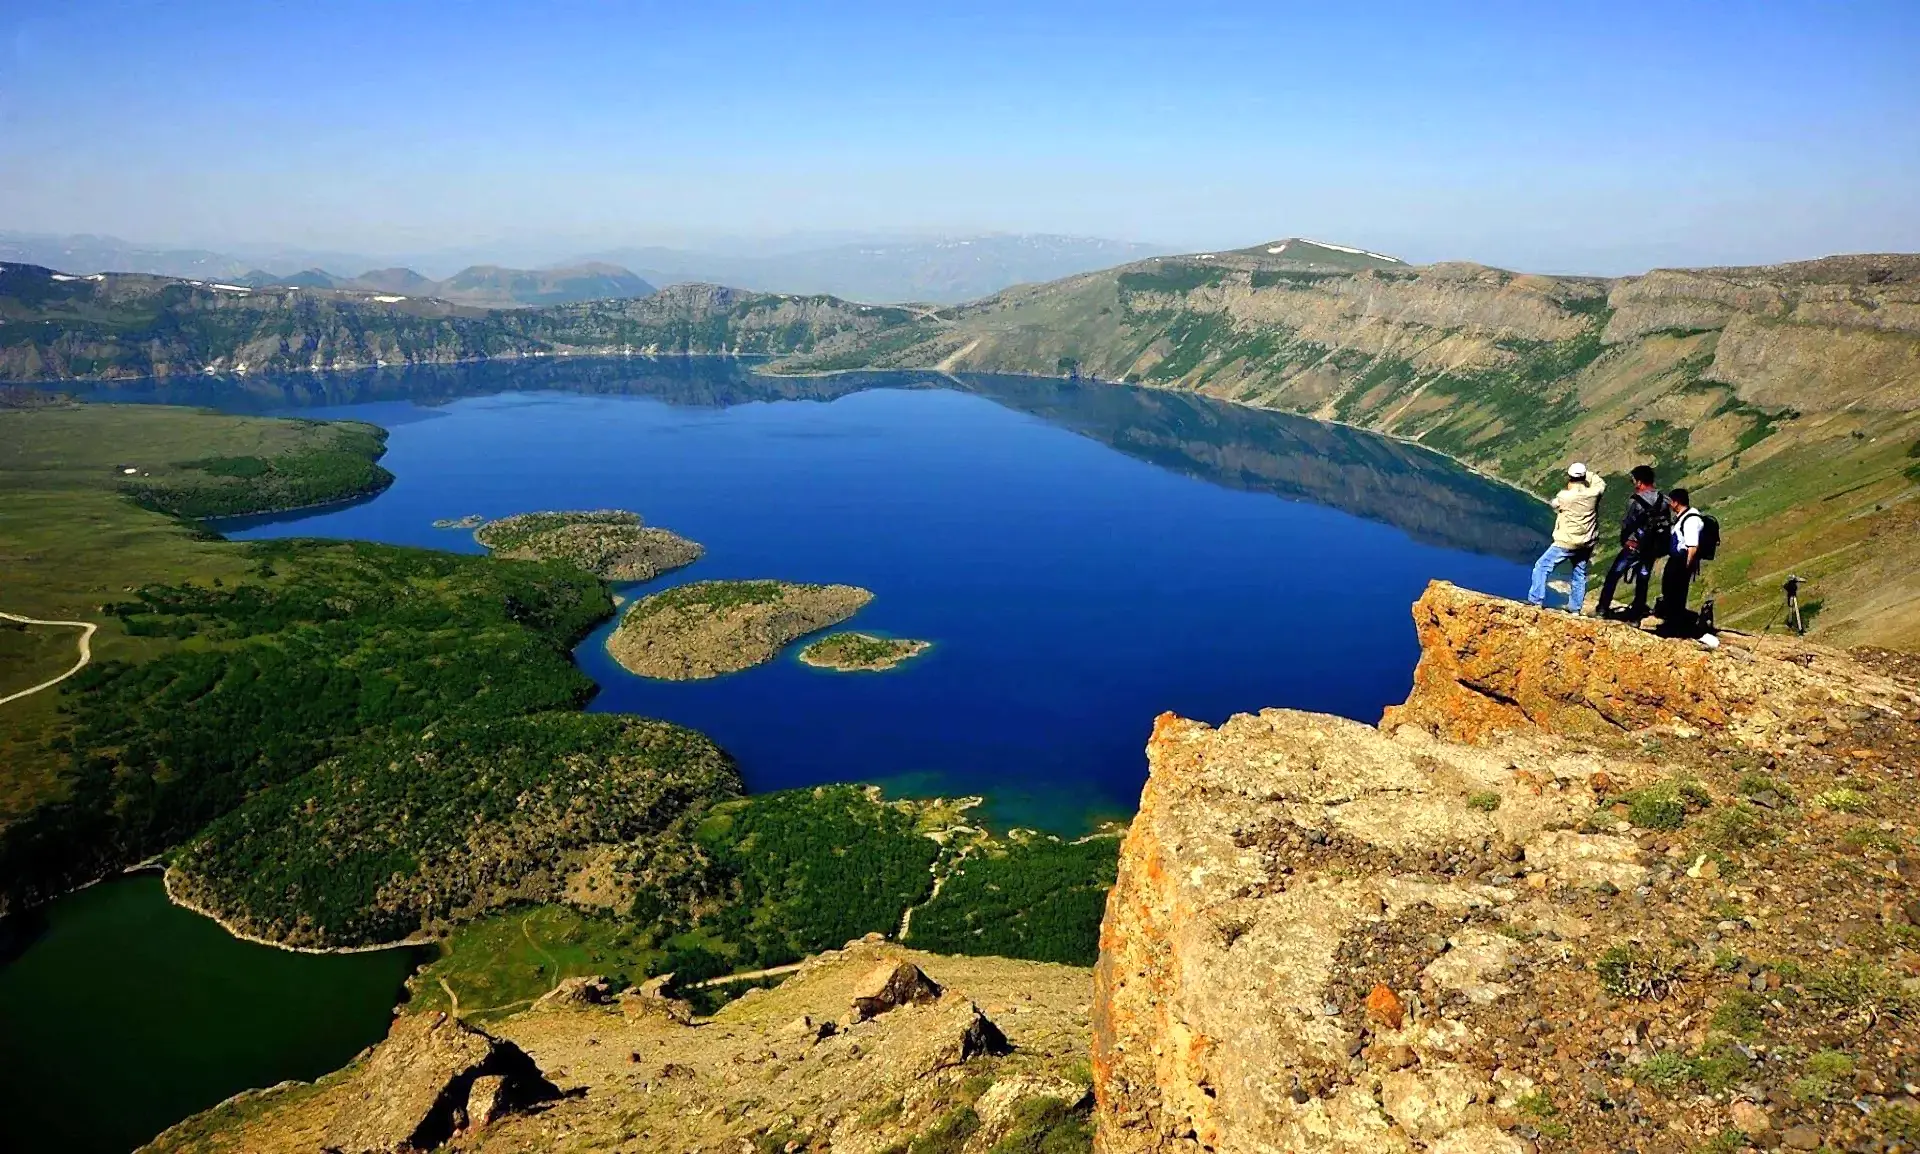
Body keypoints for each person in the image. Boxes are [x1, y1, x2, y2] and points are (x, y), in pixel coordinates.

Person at [1528, 462, 1606, 613]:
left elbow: (1555, 504)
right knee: (1579, 573)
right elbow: (1600, 482)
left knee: (1542, 567)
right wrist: (1586, 474)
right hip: (1587, 542)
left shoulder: (1565, 496)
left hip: (1567, 542)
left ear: (1570, 477)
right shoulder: (1594, 493)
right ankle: (1575, 609)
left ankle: (1535, 601)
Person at [1596, 464, 1667, 619]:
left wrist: (1625, 540)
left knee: (1614, 575)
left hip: (1633, 546)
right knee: (1643, 579)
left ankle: (1602, 608)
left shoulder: (1635, 501)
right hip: (1651, 549)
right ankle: (1636, 615)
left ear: (1639, 482)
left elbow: (1627, 523)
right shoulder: (1664, 499)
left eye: (1634, 481)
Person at [1658, 487, 1706, 632]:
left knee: (1676, 592)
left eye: (1671, 502)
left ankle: (1677, 624)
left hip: (1682, 560)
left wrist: (1686, 567)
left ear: (1676, 502)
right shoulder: (1684, 516)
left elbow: (1692, 546)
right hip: (1677, 558)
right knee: (1669, 590)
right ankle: (1674, 621)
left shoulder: (1691, 520)